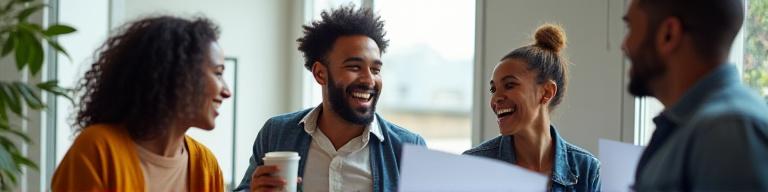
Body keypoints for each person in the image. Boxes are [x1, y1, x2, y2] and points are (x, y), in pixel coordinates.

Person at [234, 5, 426, 192]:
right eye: (354, 67)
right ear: (320, 74)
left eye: (375, 70)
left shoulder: (409, 148)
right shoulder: (276, 134)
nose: (369, 80)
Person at [51, 16, 230, 192]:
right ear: (180, 75)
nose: (227, 92)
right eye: (218, 73)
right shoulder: (98, 150)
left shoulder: (207, 167)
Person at [623, 0, 768, 190]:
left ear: (669, 34)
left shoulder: (727, 132)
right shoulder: (691, 127)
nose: (624, 45)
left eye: (631, 28)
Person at [463, 24, 600, 191]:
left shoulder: (588, 171)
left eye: (509, 85)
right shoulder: (473, 165)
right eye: (493, 89)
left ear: (546, 92)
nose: (496, 98)